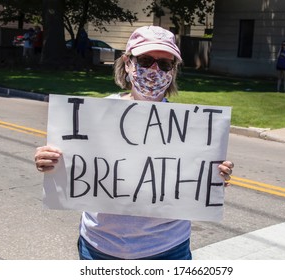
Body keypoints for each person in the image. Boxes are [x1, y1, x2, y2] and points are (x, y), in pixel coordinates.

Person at [34, 25, 234, 260]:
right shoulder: (94, 115)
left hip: (167, 248)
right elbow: (72, 166)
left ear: (172, 71)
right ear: (128, 63)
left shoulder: (193, 127)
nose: (154, 69)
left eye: (164, 64)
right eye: (145, 60)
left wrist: (215, 176)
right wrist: (49, 161)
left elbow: (196, 178)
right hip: (100, 246)